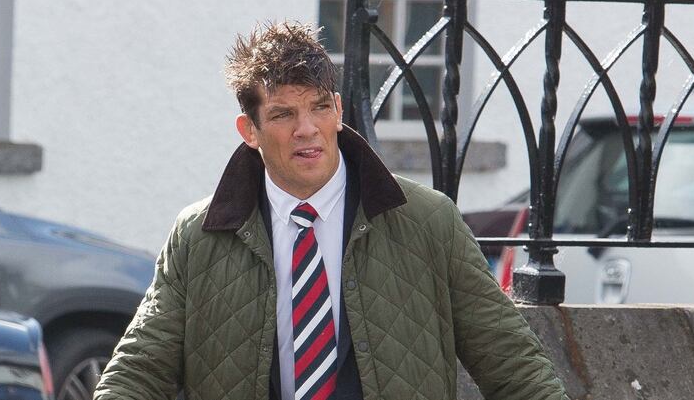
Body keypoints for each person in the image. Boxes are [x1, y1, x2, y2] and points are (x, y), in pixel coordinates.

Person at [94, 21, 568, 400]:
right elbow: (139, 371)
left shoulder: (427, 221)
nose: (307, 129)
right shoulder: (199, 236)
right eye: (282, 114)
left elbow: (512, 365)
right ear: (249, 129)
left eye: (319, 108)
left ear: (338, 111)